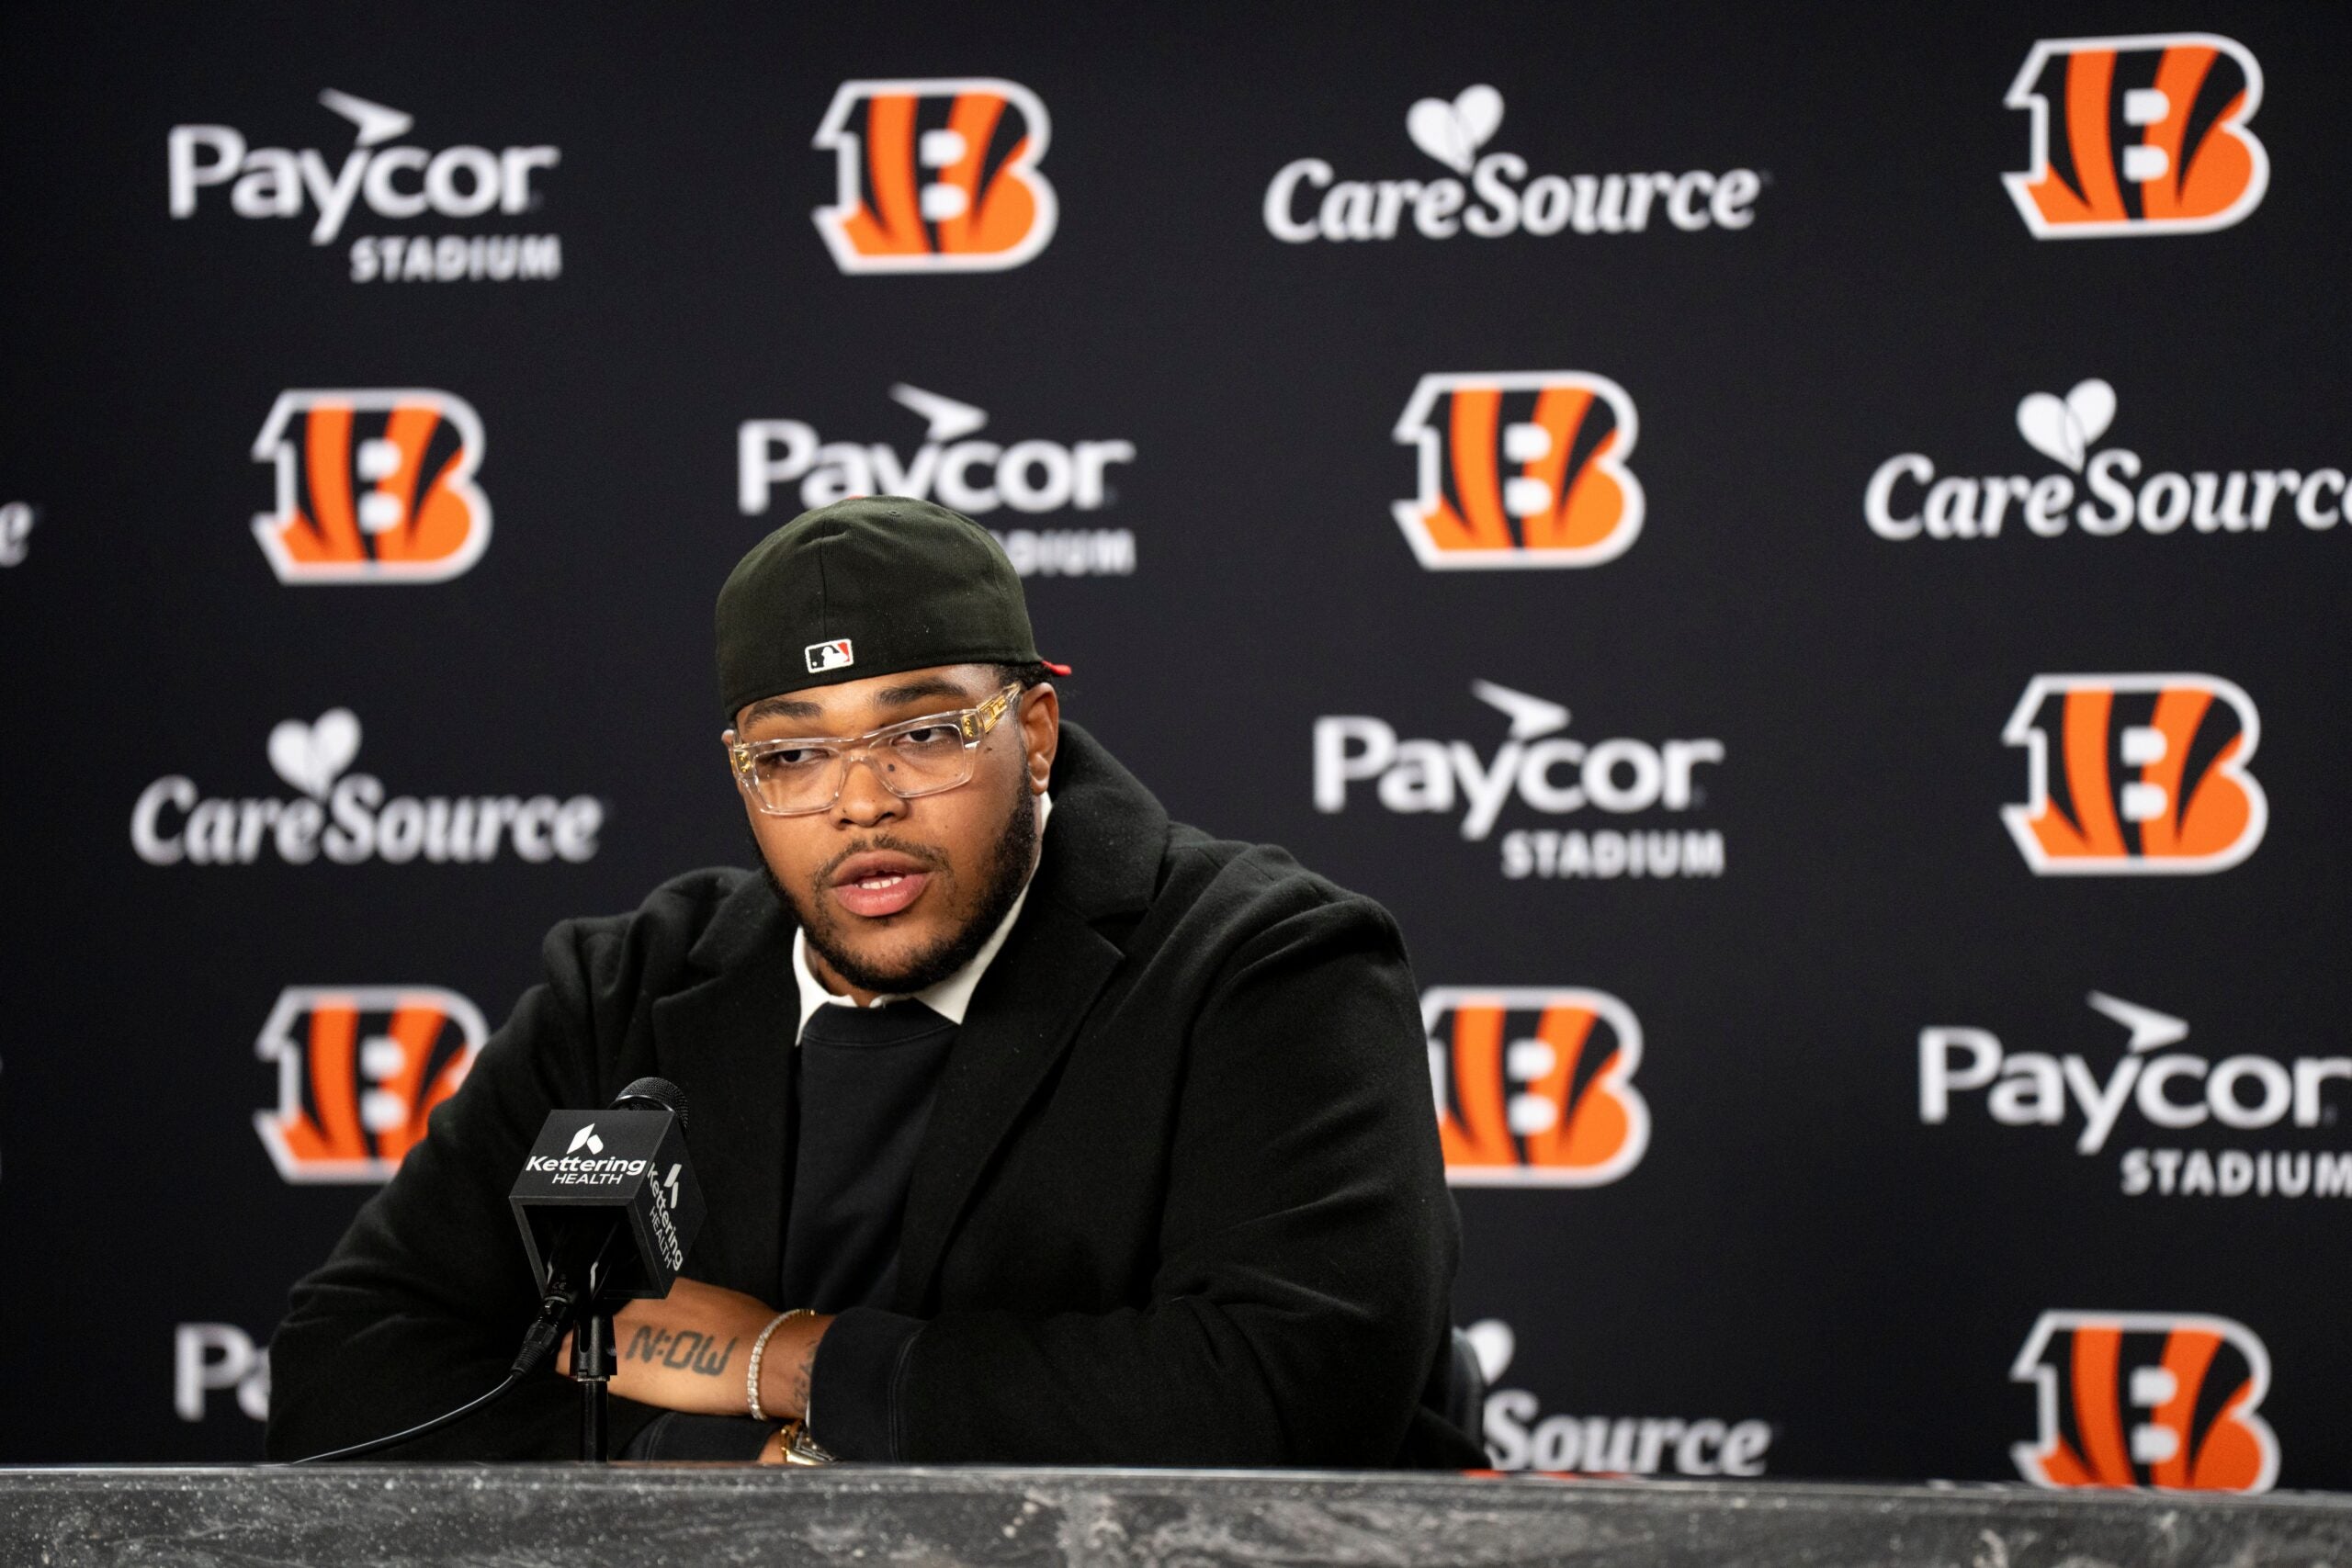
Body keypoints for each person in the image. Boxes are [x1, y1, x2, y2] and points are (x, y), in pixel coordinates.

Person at [266, 496, 1480, 1466]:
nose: (860, 801)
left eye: (925, 733)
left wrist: (788, 1360)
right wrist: (719, 1475)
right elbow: (347, 1366)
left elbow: (1292, 1394)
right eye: (791, 753)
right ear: (744, 775)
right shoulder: (626, 988)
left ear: (1037, 734)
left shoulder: (1264, 965)